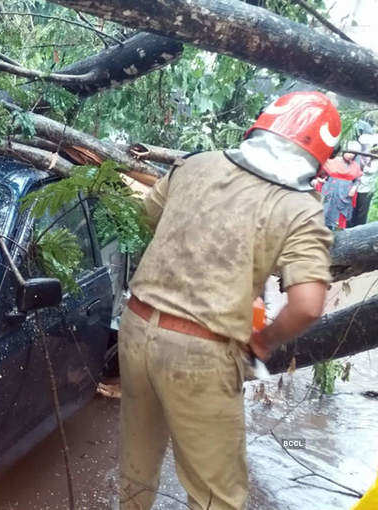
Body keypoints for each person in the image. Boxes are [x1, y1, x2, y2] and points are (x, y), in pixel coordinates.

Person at [118, 91, 338, 510]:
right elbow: (308, 304)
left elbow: (144, 218)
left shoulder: (196, 163)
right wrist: (265, 339)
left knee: (137, 466)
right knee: (217, 495)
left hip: (136, 325)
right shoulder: (299, 207)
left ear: (259, 126)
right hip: (202, 353)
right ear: (318, 159)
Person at [320, 141, 363, 229]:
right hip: (330, 192)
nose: (350, 155)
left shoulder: (355, 166)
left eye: (353, 153)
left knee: (339, 219)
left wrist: (354, 188)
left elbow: (358, 179)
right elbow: (321, 173)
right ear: (344, 151)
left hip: (345, 194)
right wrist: (320, 179)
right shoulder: (333, 161)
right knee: (325, 212)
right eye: (349, 152)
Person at [348, 144, 378, 227]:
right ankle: (350, 227)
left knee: (362, 212)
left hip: (366, 190)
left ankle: (358, 228)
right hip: (356, 188)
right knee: (353, 209)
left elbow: (369, 171)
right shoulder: (366, 159)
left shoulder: (375, 163)